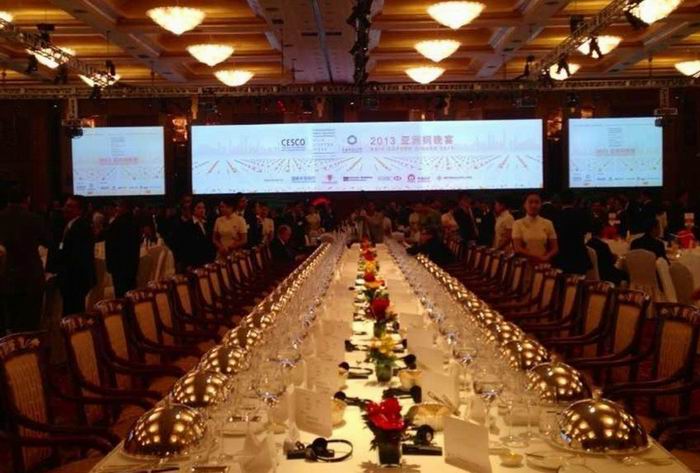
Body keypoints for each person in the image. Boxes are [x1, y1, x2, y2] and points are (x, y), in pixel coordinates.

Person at [0, 187, 50, 332]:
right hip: (31, 274)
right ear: (27, 199)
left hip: (6, 274)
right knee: (30, 320)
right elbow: (48, 242)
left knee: (12, 318)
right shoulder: (33, 218)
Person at [53, 195, 96, 315]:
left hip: (75, 279)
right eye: (66, 206)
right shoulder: (69, 225)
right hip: (70, 278)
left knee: (74, 312)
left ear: (80, 210)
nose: (66, 209)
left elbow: (79, 256)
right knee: (70, 309)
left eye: (70, 206)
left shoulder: (82, 227)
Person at [105, 199, 141, 298]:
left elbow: (112, 242)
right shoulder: (133, 221)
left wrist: (110, 265)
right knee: (130, 290)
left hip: (119, 264)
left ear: (124, 208)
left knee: (121, 292)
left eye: (119, 206)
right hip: (131, 262)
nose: (117, 209)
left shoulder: (119, 222)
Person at [512, 192, 559, 265]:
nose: (534, 205)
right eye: (530, 202)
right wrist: (538, 257)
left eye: (537, 202)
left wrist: (547, 257)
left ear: (541, 205)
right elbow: (518, 248)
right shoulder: (518, 223)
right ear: (524, 205)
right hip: (525, 264)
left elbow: (555, 248)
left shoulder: (548, 223)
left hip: (543, 264)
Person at [553, 191, 591, 275]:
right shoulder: (582, 215)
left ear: (560, 201)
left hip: (562, 256)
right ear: (574, 201)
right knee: (579, 281)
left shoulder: (556, 216)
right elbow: (586, 232)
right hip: (579, 255)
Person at [587, 219, 627, 285]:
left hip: (593, 275)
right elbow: (610, 262)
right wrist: (615, 257)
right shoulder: (603, 246)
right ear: (602, 230)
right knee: (626, 274)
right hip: (605, 275)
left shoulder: (588, 244)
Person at [182, 200, 216, 269]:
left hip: (208, 259)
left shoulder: (207, 223)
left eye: (203, 208)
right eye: (199, 208)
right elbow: (185, 246)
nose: (202, 210)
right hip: (195, 261)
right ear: (193, 210)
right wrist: (188, 263)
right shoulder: (187, 225)